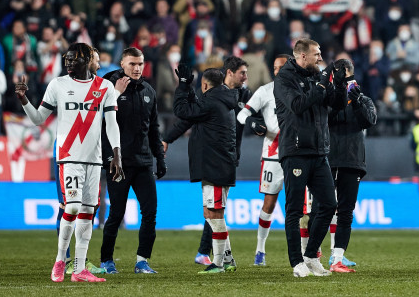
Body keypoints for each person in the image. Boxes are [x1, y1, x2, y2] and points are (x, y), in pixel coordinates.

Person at [16, 43, 123, 283]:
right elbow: (38, 119)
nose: (68, 63)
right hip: (68, 156)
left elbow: (112, 123)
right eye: (66, 60)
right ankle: (59, 260)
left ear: (86, 60)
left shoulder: (105, 87)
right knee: (72, 207)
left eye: (73, 59)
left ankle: (79, 269)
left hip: (93, 160)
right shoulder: (58, 84)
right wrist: (24, 100)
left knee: (88, 213)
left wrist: (117, 154)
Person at [163, 56, 249, 269]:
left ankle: (218, 262)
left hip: (216, 165)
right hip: (219, 163)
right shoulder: (221, 99)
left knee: (214, 213)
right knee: (211, 213)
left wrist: (183, 85)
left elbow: (182, 112)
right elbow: (192, 111)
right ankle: (227, 259)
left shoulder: (212, 101)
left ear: (204, 85)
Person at [273, 38, 347, 277]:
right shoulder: (284, 79)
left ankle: (311, 255)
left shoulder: (316, 76)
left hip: (319, 151)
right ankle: (296, 262)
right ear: (302, 56)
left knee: (329, 204)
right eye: (316, 54)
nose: (320, 57)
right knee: (294, 210)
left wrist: (339, 83)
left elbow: (336, 105)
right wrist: (322, 86)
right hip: (295, 151)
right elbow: (297, 105)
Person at [99, 47, 165, 275]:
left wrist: (160, 158)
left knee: (150, 213)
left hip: (144, 162)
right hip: (119, 162)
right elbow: (100, 123)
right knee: (116, 213)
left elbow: (153, 129)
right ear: (122, 64)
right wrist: (109, 157)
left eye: (140, 64)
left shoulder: (149, 91)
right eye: (132, 64)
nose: (137, 68)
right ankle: (106, 260)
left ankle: (142, 261)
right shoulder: (108, 87)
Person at [236, 54, 290, 266]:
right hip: (273, 154)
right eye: (275, 68)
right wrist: (252, 123)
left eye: (282, 68)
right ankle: (260, 250)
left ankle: (306, 253)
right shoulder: (265, 91)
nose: (277, 71)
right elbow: (242, 115)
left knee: (302, 207)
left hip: (298, 154)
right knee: (269, 203)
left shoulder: (302, 90)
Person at [324, 58, 377, 272]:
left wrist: (355, 102)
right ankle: (312, 255)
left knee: (345, 211)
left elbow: (369, 122)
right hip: (326, 160)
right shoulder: (327, 99)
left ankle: (337, 257)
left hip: (351, 161)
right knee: (321, 209)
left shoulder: (363, 99)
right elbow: (324, 120)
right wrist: (338, 98)